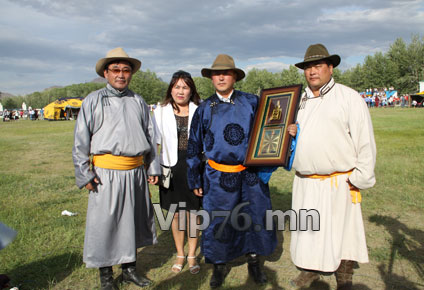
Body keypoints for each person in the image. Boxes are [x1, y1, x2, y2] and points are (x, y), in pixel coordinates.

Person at [287, 44, 376, 290]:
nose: (312, 72)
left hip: (339, 180)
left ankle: (344, 276)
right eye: (308, 67)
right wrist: (291, 133)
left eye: (317, 66)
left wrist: (360, 177)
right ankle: (311, 270)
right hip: (306, 181)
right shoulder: (298, 101)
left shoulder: (349, 98)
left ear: (330, 67)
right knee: (309, 230)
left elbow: (364, 141)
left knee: (343, 231)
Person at [72, 47, 160, 290]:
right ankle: (106, 277)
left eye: (126, 70)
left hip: (135, 172)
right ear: (105, 73)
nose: (121, 75)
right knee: (106, 225)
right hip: (105, 174)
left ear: (131, 74)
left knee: (132, 221)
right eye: (116, 70)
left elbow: (150, 136)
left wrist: (153, 167)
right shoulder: (93, 100)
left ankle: (130, 269)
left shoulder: (138, 101)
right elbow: (80, 140)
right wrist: (84, 172)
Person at [187, 54, 277, 288]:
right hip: (217, 177)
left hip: (249, 175)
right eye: (217, 73)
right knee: (219, 221)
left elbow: (271, 129)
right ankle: (219, 265)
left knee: (254, 219)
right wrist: (194, 177)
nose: (221, 77)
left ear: (235, 76)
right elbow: (194, 145)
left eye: (226, 73)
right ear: (211, 78)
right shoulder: (204, 109)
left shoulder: (252, 102)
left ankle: (254, 263)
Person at [153, 70, 202, 274]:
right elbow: (154, 143)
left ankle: (192, 254)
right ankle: (179, 253)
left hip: (194, 166)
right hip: (169, 167)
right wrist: (153, 168)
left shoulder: (199, 110)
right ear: (171, 89)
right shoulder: (160, 111)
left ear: (191, 90)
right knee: (175, 214)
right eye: (177, 87)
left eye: (185, 87)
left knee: (193, 213)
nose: (180, 91)